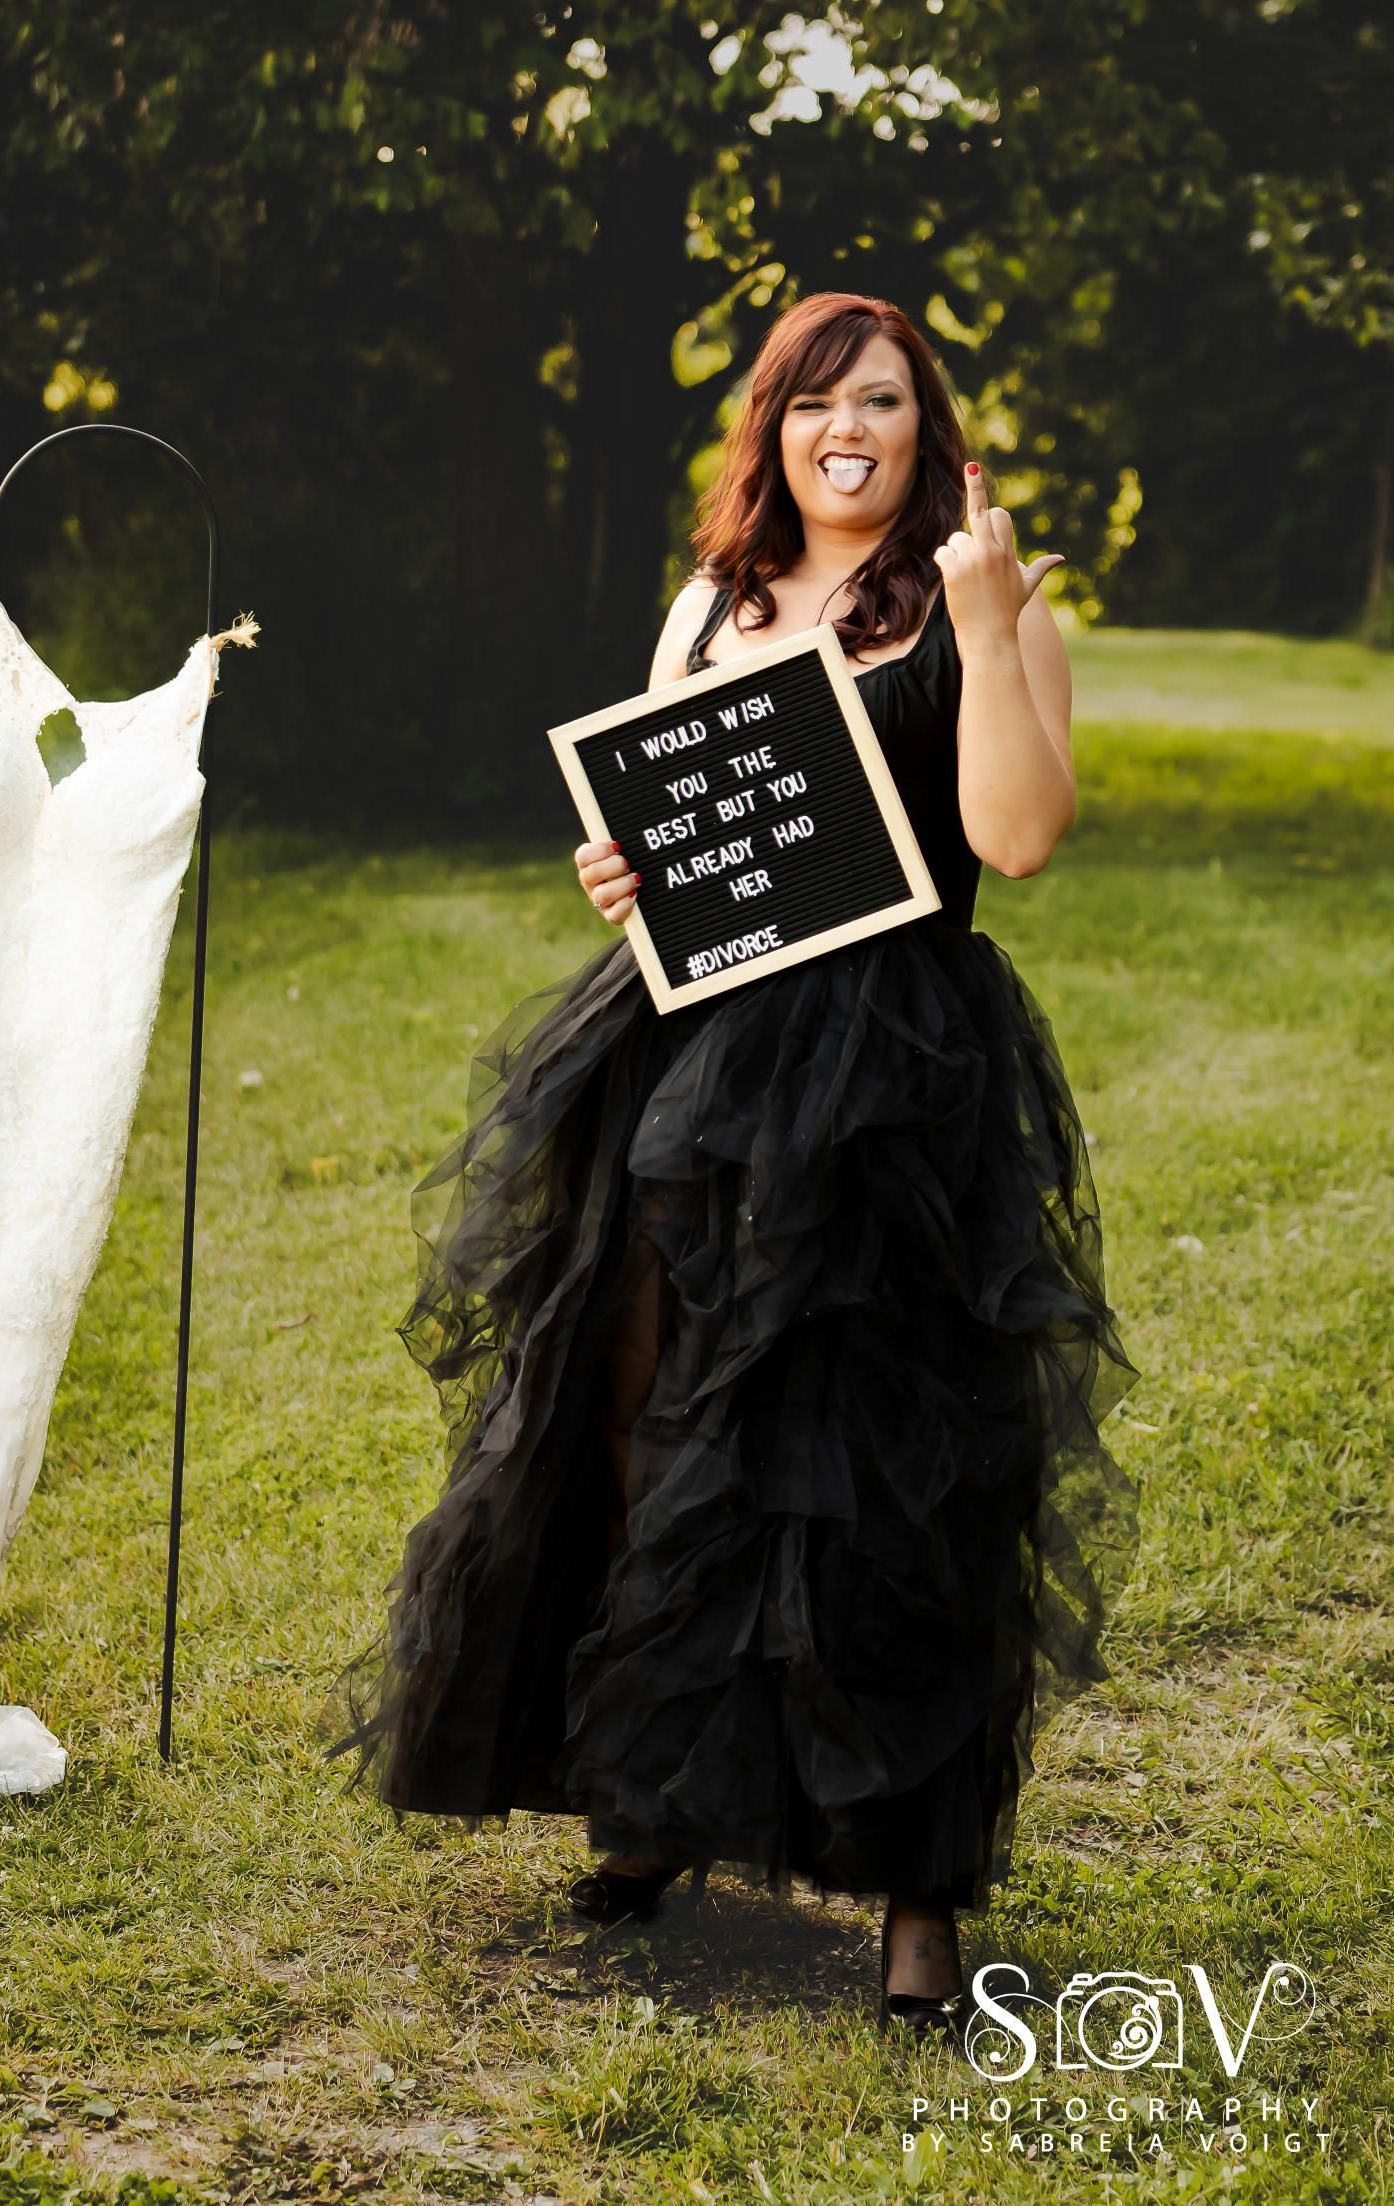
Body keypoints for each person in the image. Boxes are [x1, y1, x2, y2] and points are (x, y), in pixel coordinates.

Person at [326, 292, 1139, 2035]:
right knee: (648, 1418)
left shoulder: (985, 600)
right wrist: (617, 874)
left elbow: (1017, 835)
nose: (850, 428)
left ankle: (919, 1888)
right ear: (769, 425)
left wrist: (993, 634)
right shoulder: (712, 603)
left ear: (929, 430)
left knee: (892, 1457)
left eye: (887, 402)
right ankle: (657, 1796)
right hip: (685, 1057)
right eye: (817, 401)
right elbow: (664, 829)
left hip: (890, 1071)